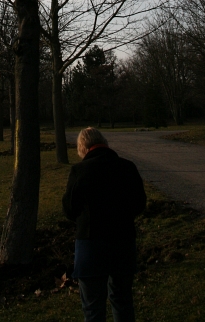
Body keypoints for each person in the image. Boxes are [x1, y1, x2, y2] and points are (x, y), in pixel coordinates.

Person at [62, 127, 146, 322]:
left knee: (93, 308)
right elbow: (139, 203)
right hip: (123, 242)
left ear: (82, 147)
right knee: (123, 301)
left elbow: (69, 209)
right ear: (104, 142)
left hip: (91, 244)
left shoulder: (79, 171)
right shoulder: (127, 167)